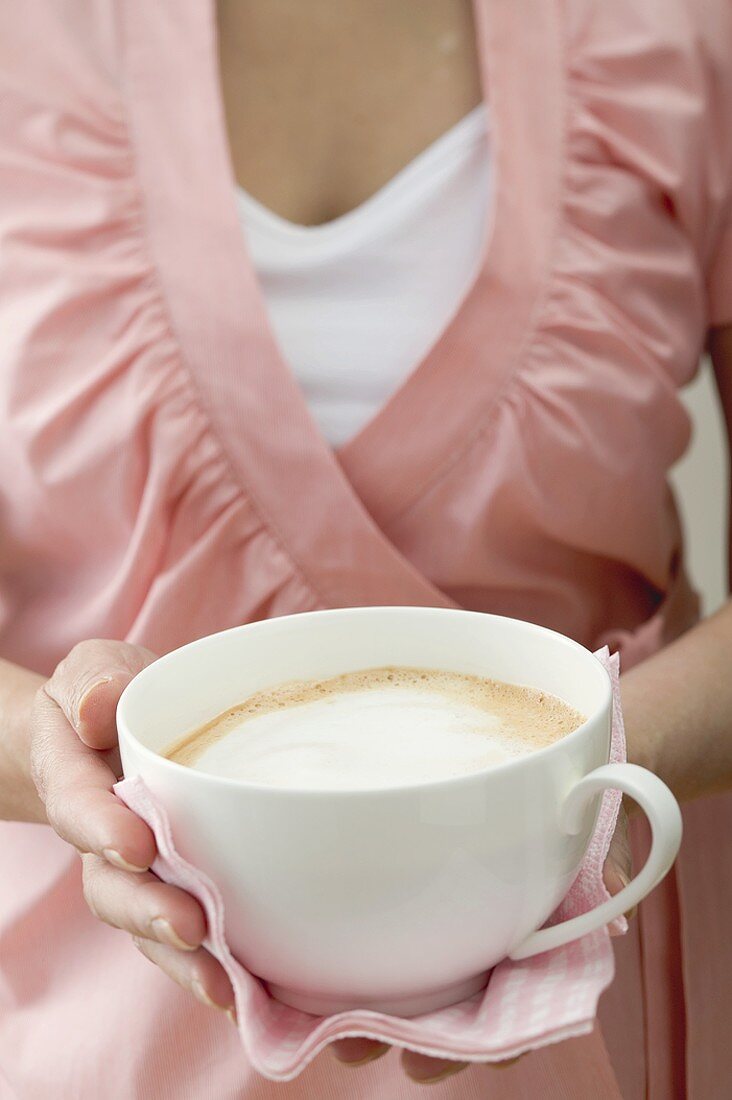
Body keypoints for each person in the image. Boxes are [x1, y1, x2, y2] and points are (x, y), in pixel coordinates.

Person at [1, 1, 731, 1096]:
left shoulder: (684, 35)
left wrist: (583, 780)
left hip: (588, 1001)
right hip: (105, 1029)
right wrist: (56, 760)